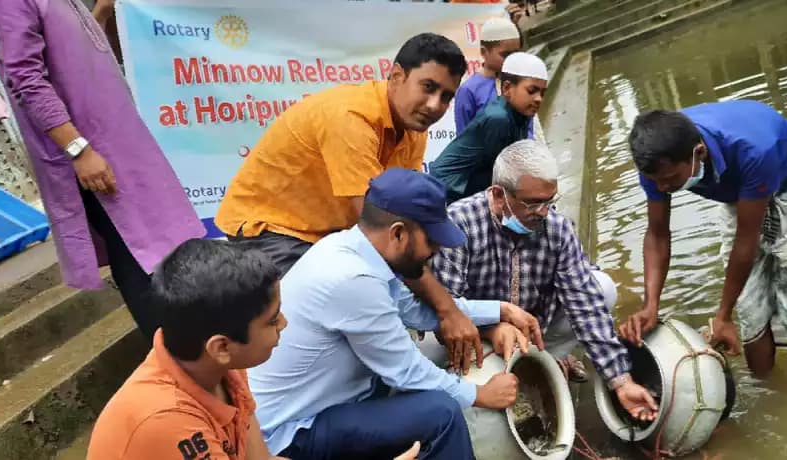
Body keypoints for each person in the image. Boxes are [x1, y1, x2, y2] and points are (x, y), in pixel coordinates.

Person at [216, 32, 487, 374]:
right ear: (397, 76)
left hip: (327, 235)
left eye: (446, 96)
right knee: (340, 331)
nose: (435, 105)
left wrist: (445, 305)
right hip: (274, 231)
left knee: (383, 311)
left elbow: (408, 227)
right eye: (428, 87)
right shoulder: (352, 119)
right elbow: (383, 233)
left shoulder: (413, 128)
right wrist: (446, 310)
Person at [248, 168, 536, 460]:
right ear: (398, 233)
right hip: (292, 432)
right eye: (432, 241)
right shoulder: (351, 279)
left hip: (332, 403)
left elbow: (414, 311)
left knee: (425, 379)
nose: (435, 251)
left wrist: (499, 309)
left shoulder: (351, 250)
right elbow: (405, 371)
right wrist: (481, 394)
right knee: (442, 413)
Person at [0, 0, 205, 341]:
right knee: (139, 261)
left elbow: (76, 62)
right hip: (93, 156)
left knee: (165, 255)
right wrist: (78, 149)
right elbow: (25, 79)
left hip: (122, 149)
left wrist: (102, 12)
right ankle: (181, 368)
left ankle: (198, 359)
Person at [432, 140, 660, 420]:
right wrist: (491, 329)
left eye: (549, 201)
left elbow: (585, 304)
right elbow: (445, 310)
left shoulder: (556, 228)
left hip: (536, 327)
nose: (543, 212)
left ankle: (549, 358)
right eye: (532, 203)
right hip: (479, 331)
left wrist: (621, 382)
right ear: (498, 195)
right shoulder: (460, 224)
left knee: (600, 288)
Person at [620, 101, 787, 377]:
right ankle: (766, 386)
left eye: (670, 180)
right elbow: (657, 234)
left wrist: (722, 316)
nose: (662, 189)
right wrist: (650, 305)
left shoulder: (753, 150)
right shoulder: (657, 165)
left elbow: (745, 244)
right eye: (656, 182)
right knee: (749, 302)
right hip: (739, 190)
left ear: (698, 153)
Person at [86, 239, 286, 459]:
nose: (283, 323)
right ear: (221, 347)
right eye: (273, 320)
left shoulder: (222, 368)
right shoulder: (167, 420)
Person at [430, 52, 548, 203]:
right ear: (506, 88)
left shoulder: (521, 114)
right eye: (531, 91)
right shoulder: (499, 119)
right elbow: (499, 174)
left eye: (543, 93)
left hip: (470, 185)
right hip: (449, 188)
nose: (538, 99)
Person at [453, 17, 532, 137]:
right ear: (484, 52)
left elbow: (529, 128)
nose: (511, 59)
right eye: (505, 55)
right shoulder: (468, 91)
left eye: (516, 53)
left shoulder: (520, 82)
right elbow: (464, 139)